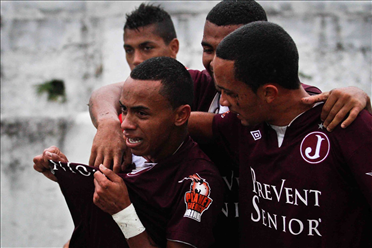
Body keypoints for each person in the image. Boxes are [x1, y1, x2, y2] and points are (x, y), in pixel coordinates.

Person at [87, 1, 371, 247]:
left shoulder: (332, 119)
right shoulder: (216, 100)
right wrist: (114, 125)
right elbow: (144, 109)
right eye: (207, 48)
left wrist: (359, 101)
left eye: (232, 93)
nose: (224, 100)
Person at [189, 21, 372, 247]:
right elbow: (197, 124)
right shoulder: (243, 126)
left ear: (268, 93)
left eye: (231, 93)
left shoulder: (344, 124)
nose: (224, 102)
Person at [33, 57, 224, 248]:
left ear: (181, 115)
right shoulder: (124, 152)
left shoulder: (199, 182)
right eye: (124, 109)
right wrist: (66, 173)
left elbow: (124, 206)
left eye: (142, 113)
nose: (125, 124)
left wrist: (124, 212)